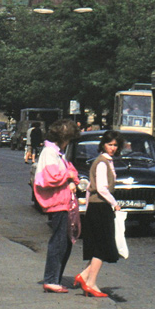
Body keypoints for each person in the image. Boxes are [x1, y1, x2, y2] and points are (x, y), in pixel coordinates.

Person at [33, 119, 80, 294]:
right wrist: (69, 176)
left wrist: (70, 175)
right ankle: (51, 279)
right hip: (57, 202)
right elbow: (51, 177)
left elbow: (72, 171)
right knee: (59, 241)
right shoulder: (49, 153)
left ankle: (56, 278)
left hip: (65, 202)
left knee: (66, 241)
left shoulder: (58, 154)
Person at [76, 130, 123, 298]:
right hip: (101, 207)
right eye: (110, 145)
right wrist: (114, 203)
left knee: (100, 245)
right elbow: (101, 188)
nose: (113, 148)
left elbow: (89, 188)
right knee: (102, 247)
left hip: (96, 207)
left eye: (115, 145)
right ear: (103, 145)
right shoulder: (102, 163)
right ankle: (90, 282)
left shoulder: (106, 162)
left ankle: (84, 276)